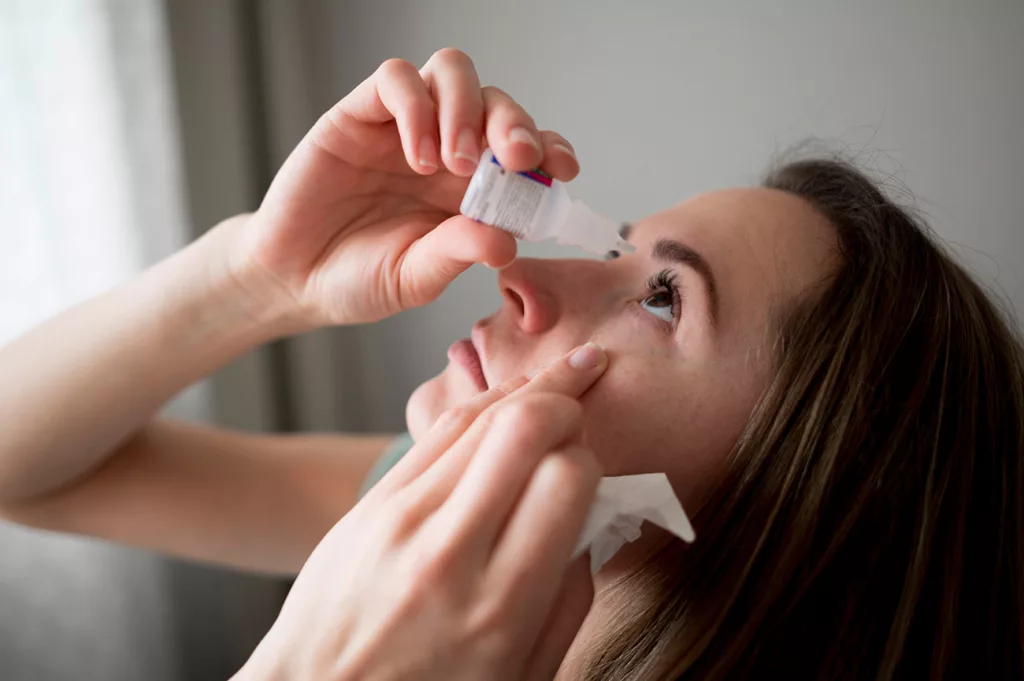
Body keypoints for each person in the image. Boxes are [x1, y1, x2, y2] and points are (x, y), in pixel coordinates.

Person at [0, 48, 1020, 680]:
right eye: (619, 258)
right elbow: (22, 470)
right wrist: (257, 273)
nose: (519, 279)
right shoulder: (437, 528)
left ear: (805, 505)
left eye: (662, 299)